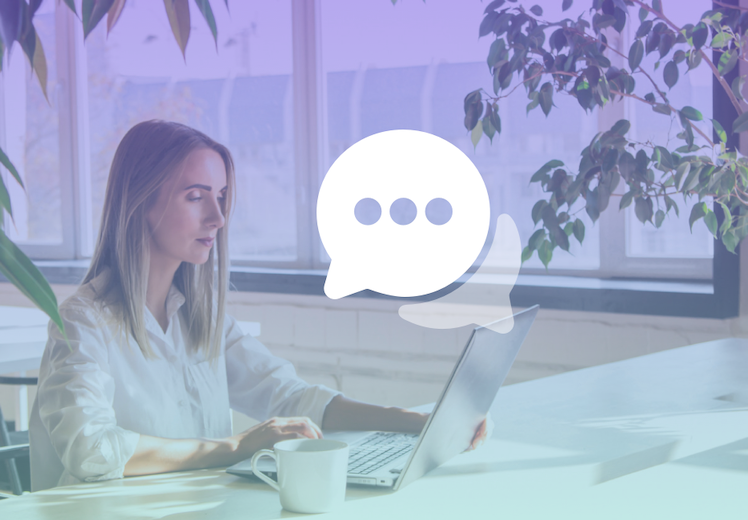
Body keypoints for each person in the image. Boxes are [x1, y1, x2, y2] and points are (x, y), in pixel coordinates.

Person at [29, 120, 488, 491]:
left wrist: (420, 423)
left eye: (221, 197)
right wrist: (237, 446)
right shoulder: (82, 321)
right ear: (140, 201)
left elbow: (294, 397)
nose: (218, 217)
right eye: (196, 197)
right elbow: (90, 450)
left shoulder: (201, 318)